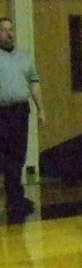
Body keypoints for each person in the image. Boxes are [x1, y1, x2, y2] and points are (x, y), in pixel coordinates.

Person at [0, 18, 44, 223]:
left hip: (19, 112)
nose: (9, 34)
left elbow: (34, 83)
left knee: (18, 155)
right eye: (3, 30)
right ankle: (14, 197)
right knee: (7, 157)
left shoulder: (23, 57)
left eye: (11, 30)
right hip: (2, 112)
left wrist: (41, 109)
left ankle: (15, 198)